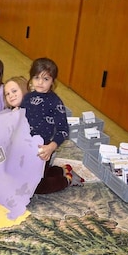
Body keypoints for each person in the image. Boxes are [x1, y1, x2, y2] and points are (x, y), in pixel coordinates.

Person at [21, 57, 80, 193]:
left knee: (35, 187)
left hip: (43, 151)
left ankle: (67, 179)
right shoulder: (27, 98)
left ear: (53, 81)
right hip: (25, 147)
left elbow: (63, 131)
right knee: (16, 176)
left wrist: (50, 147)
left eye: (46, 79)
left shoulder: (55, 102)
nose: (40, 82)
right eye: (36, 78)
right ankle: (60, 170)